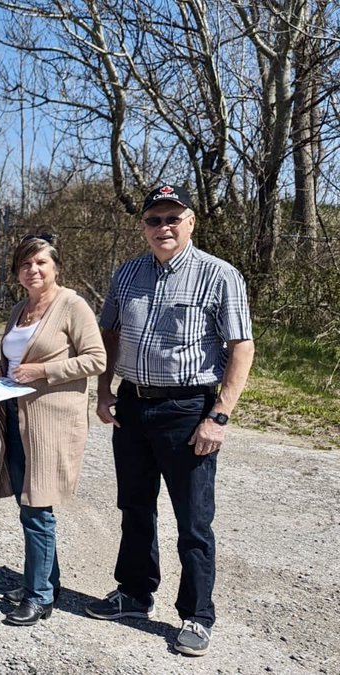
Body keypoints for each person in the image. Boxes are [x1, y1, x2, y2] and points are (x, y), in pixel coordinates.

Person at [86, 184, 254, 656]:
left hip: (188, 410)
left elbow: (241, 347)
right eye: (154, 220)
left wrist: (219, 415)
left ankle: (197, 615)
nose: (163, 228)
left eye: (172, 219)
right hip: (134, 406)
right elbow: (110, 334)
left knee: (194, 520)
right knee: (135, 507)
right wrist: (104, 391)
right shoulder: (127, 274)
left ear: (191, 222)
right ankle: (135, 594)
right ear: (143, 226)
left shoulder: (219, 276)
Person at [0, 234, 106, 626]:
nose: (32, 270)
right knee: (27, 504)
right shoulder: (21, 308)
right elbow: (13, 357)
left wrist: (44, 371)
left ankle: (39, 597)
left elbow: (96, 359)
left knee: (38, 507)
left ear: (56, 266)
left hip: (52, 422)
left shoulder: (72, 305)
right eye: (25, 264)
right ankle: (44, 581)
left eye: (40, 263)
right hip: (17, 418)